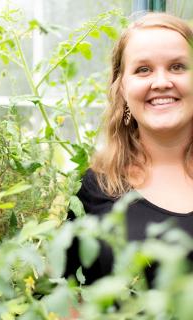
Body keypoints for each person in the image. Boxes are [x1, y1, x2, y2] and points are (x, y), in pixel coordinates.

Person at [65, 12, 193, 286]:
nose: (161, 82)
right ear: (122, 88)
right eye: (143, 70)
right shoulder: (97, 188)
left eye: (178, 67)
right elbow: (62, 295)